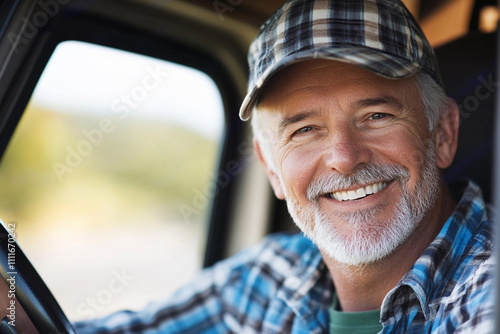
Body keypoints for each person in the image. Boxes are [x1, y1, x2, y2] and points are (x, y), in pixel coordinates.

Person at [75, 0, 494, 332]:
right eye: (305, 130)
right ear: (272, 168)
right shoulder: (272, 275)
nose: (344, 157)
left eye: (376, 116)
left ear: (442, 133)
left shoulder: (485, 295)